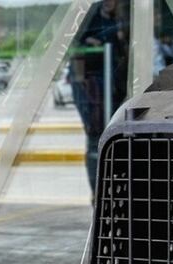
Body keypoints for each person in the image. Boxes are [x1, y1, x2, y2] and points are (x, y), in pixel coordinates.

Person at [70, 0, 127, 193]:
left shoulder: (119, 19)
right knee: (96, 142)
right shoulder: (90, 19)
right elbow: (77, 57)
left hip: (114, 93)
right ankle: (98, 194)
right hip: (94, 95)